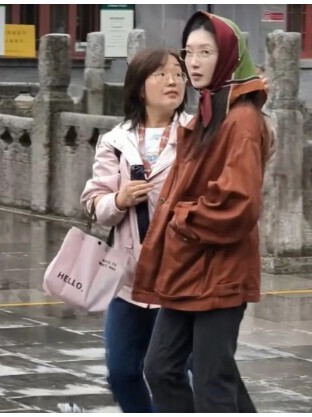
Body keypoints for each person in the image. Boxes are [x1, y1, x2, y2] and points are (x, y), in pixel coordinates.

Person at [132, 11, 272, 412]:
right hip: (188, 266)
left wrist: (181, 219)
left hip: (220, 269)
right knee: (161, 367)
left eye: (205, 52)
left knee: (212, 380)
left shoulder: (242, 119)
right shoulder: (211, 109)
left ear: (228, 56)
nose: (193, 63)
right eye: (188, 52)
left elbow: (238, 202)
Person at [80, 48, 192, 412]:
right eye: (161, 74)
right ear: (139, 87)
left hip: (181, 277)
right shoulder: (116, 141)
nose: (172, 81)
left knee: (174, 371)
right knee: (122, 372)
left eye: (178, 74)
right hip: (127, 279)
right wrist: (119, 199)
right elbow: (94, 202)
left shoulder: (198, 135)